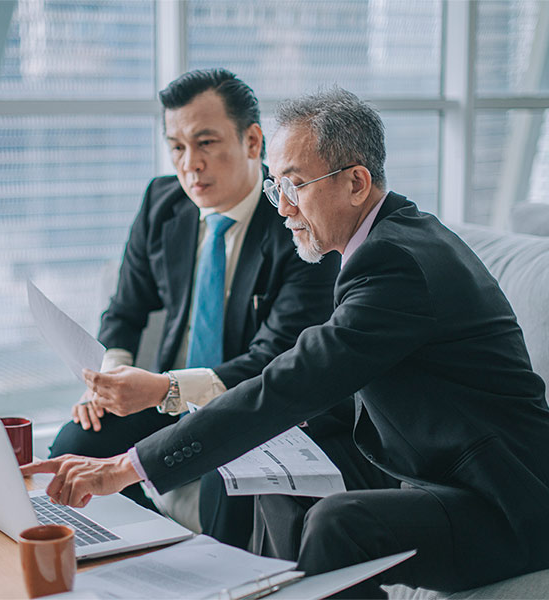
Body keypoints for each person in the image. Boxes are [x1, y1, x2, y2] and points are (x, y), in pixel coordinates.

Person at [25, 87, 549, 597]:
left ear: (356, 183)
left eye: (295, 186)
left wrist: (124, 467)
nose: (282, 207)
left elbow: (295, 380)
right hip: (426, 459)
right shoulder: (383, 242)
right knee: (272, 456)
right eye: (276, 186)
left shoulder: (398, 265)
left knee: (338, 522)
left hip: (503, 503)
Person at [47, 69, 380, 549]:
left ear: (251, 141)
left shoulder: (297, 221)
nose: (191, 165)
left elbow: (273, 360)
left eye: (205, 143)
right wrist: (111, 380)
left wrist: (163, 388)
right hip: (165, 395)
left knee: (220, 479)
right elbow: (125, 310)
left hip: (251, 406)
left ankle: (196, 569)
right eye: (178, 147)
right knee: (72, 450)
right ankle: (142, 553)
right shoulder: (163, 203)